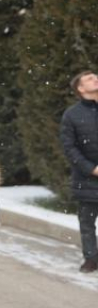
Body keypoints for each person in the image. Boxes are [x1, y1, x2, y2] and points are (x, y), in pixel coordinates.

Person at [60, 70, 98, 273]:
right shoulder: (72, 115)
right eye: (90, 78)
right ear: (80, 88)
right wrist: (91, 169)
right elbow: (69, 147)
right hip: (86, 179)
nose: (96, 79)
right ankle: (91, 259)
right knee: (87, 223)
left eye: (96, 76)